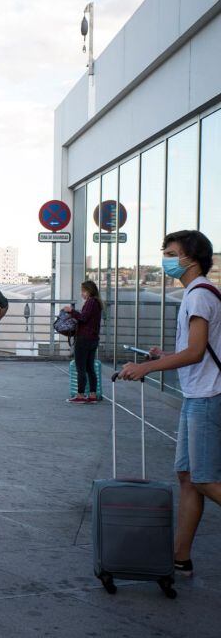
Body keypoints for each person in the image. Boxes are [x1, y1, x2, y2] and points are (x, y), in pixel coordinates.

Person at [119, 230, 221, 578]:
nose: (165, 257)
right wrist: (165, 354)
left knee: (205, 479)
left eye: (171, 252)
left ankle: (181, 555)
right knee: (188, 477)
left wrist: (146, 367)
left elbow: (195, 352)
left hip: (207, 397)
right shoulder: (197, 293)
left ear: (191, 258)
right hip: (199, 394)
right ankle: (181, 557)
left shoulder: (199, 296)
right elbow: (199, 349)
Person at [65, 280, 103, 405]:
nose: (82, 294)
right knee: (90, 368)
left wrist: (71, 311)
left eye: (83, 291)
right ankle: (92, 394)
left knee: (80, 367)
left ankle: (80, 395)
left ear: (88, 291)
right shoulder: (97, 303)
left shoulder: (90, 302)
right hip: (93, 339)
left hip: (84, 339)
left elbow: (83, 318)